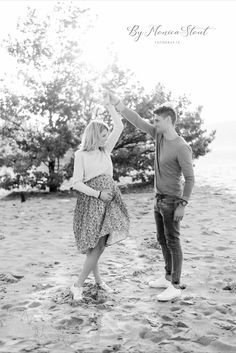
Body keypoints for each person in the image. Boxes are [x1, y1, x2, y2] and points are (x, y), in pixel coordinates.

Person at [106, 92, 195, 301]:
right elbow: (137, 120)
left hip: (173, 200)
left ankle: (175, 285)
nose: (153, 123)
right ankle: (167, 276)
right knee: (162, 240)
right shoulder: (159, 135)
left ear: (168, 120)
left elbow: (190, 179)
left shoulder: (182, 147)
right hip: (158, 199)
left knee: (173, 241)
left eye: (157, 120)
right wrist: (117, 103)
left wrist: (183, 204)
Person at [71, 98, 130, 301]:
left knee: (100, 243)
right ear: (95, 135)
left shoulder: (105, 150)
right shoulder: (81, 155)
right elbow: (76, 183)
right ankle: (78, 285)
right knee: (95, 245)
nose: (106, 139)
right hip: (92, 200)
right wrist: (98, 194)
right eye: (103, 135)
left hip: (110, 199)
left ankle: (98, 281)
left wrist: (109, 106)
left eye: (107, 136)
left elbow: (119, 126)